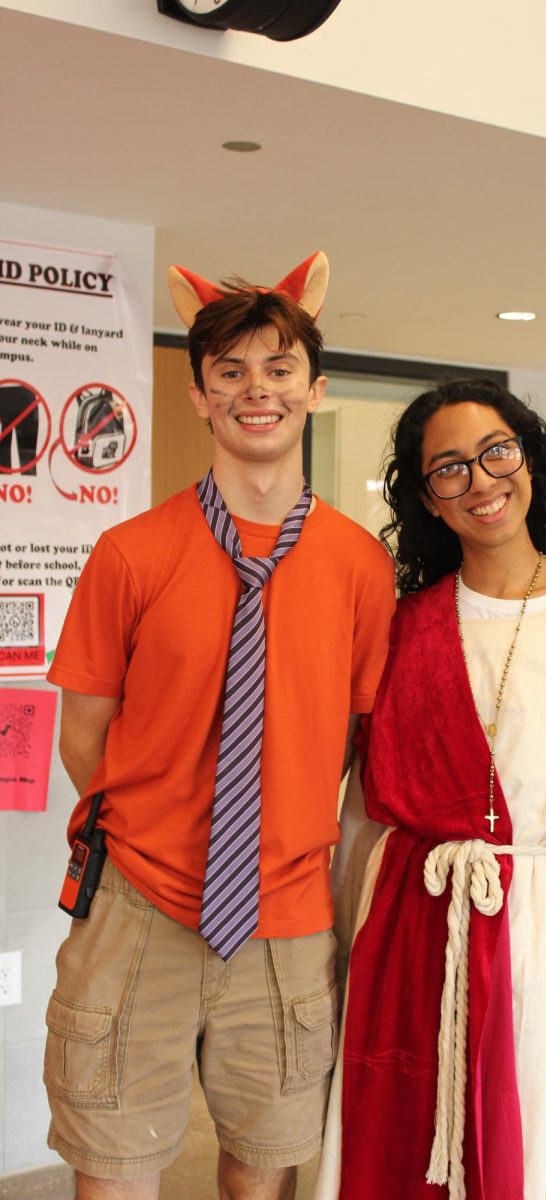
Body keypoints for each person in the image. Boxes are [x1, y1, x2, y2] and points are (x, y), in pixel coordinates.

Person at [43, 254, 396, 1200]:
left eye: (278, 369)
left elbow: (360, 749)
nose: (256, 391)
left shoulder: (361, 568)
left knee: (267, 1170)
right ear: (199, 395)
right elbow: (84, 738)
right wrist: (162, 840)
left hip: (287, 922)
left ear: (314, 392)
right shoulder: (130, 555)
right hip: (136, 913)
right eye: (230, 372)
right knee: (115, 1167)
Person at [315, 378, 546, 1200]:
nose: (480, 480)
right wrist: (340, 959)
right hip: (405, 920)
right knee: (392, 1141)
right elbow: (364, 813)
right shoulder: (408, 624)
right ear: (427, 499)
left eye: (496, 452)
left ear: (530, 461)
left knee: (524, 1139)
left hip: (533, 924)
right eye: (448, 469)